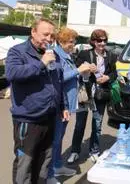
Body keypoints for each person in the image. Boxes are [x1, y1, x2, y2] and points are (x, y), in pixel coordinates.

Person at [5, 18, 69, 184]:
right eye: (45, 34)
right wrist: (41, 64)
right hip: (28, 119)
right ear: (33, 32)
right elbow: (13, 74)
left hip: (50, 117)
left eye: (52, 35)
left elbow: (59, 82)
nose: (49, 39)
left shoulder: (53, 54)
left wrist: (63, 106)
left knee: (44, 160)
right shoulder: (17, 51)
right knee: (25, 163)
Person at [47, 28, 91, 184]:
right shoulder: (56, 55)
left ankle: (58, 166)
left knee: (59, 138)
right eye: (71, 42)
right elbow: (58, 78)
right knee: (55, 140)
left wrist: (83, 73)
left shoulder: (66, 55)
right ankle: (50, 174)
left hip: (67, 104)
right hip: (60, 103)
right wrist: (78, 70)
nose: (73, 44)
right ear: (61, 42)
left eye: (74, 41)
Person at [67, 29, 117, 164]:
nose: (102, 43)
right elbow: (76, 69)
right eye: (99, 40)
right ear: (93, 41)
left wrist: (107, 77)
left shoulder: (111, 56)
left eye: (104, 40)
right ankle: (75, 151)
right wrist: (88, 69)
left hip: (101, 94)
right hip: (85, 93)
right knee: (79, 124)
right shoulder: (85, 53)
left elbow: (114, 74)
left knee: (97, 124)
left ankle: (94, 151)